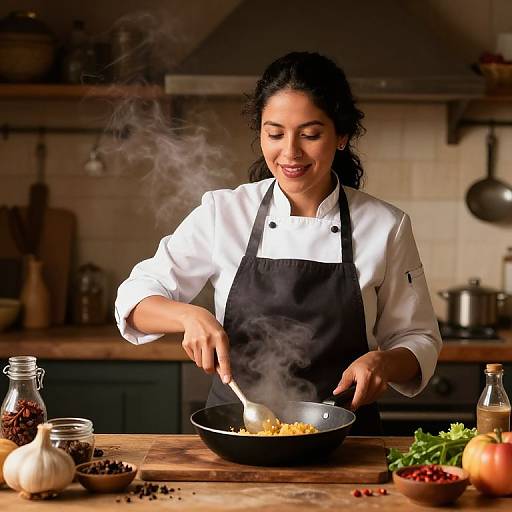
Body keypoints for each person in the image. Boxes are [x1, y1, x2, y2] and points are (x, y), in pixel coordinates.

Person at [115, 51, 442, 435]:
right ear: (260, 134)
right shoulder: (224, 212)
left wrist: (383, 363)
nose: (290, 152)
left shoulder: (385, 225)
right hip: (238, 432)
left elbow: (418, 338)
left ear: (341, 136)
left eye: (310, 134)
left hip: (347, 440)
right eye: (274, 134)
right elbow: (133, 298)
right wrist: (188, 316)